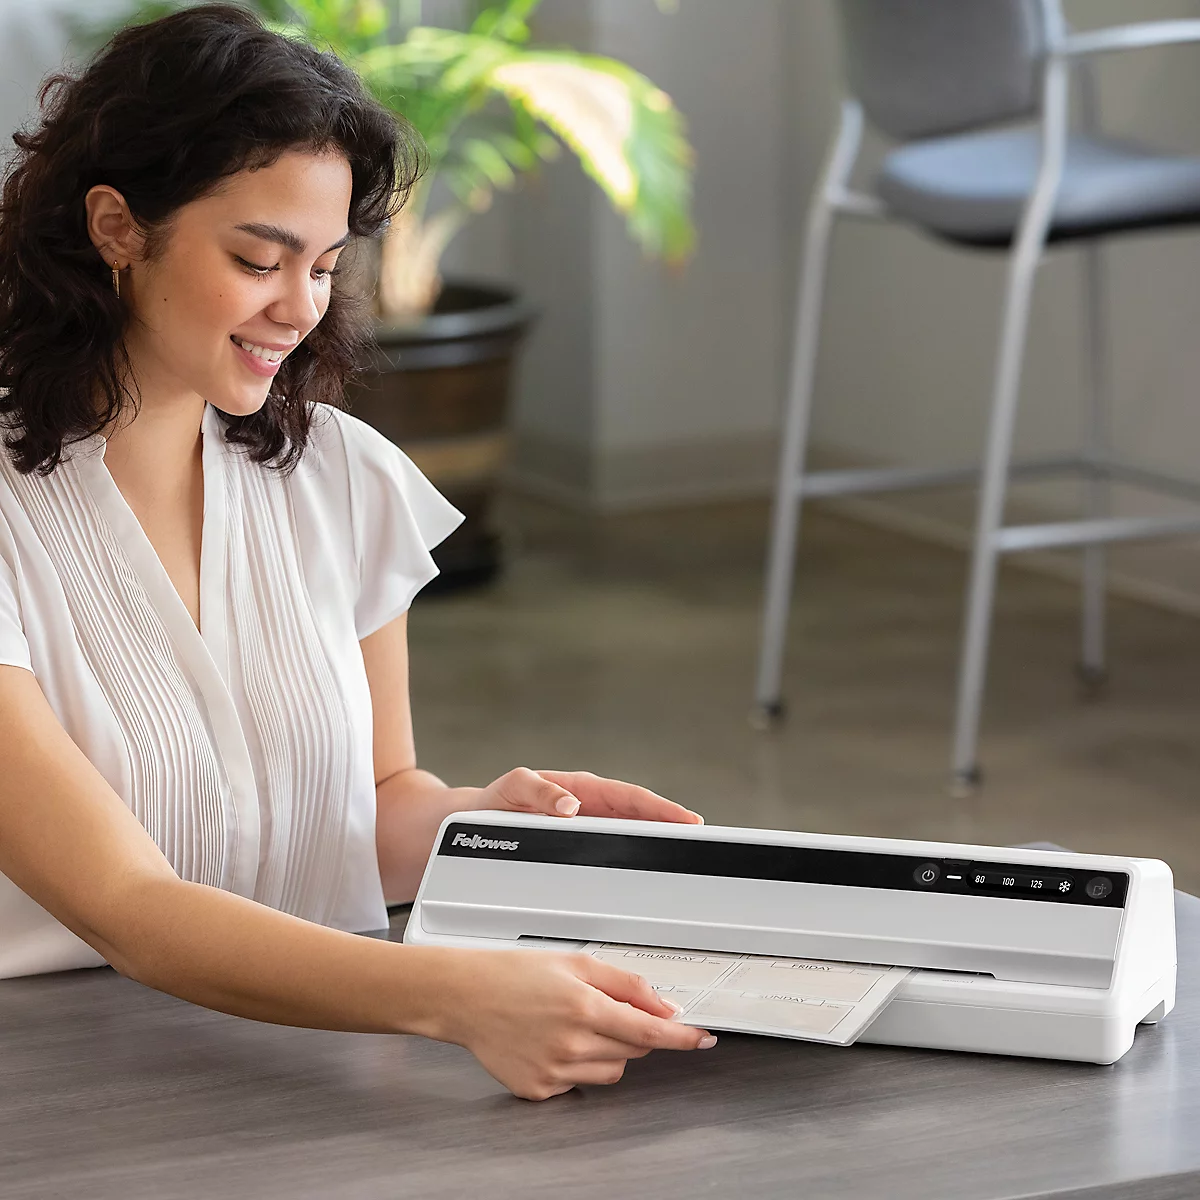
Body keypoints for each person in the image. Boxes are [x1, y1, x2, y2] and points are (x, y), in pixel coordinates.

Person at [0, 4, 715, 1102]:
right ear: (116, 228)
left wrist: (483, 825)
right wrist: (456, 993)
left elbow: (372, 804)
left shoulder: (336, 473)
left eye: (326, 266)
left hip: (317, 1066)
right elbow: (129, 909)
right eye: (258, 259)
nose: (299, 308)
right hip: (61, 1088)